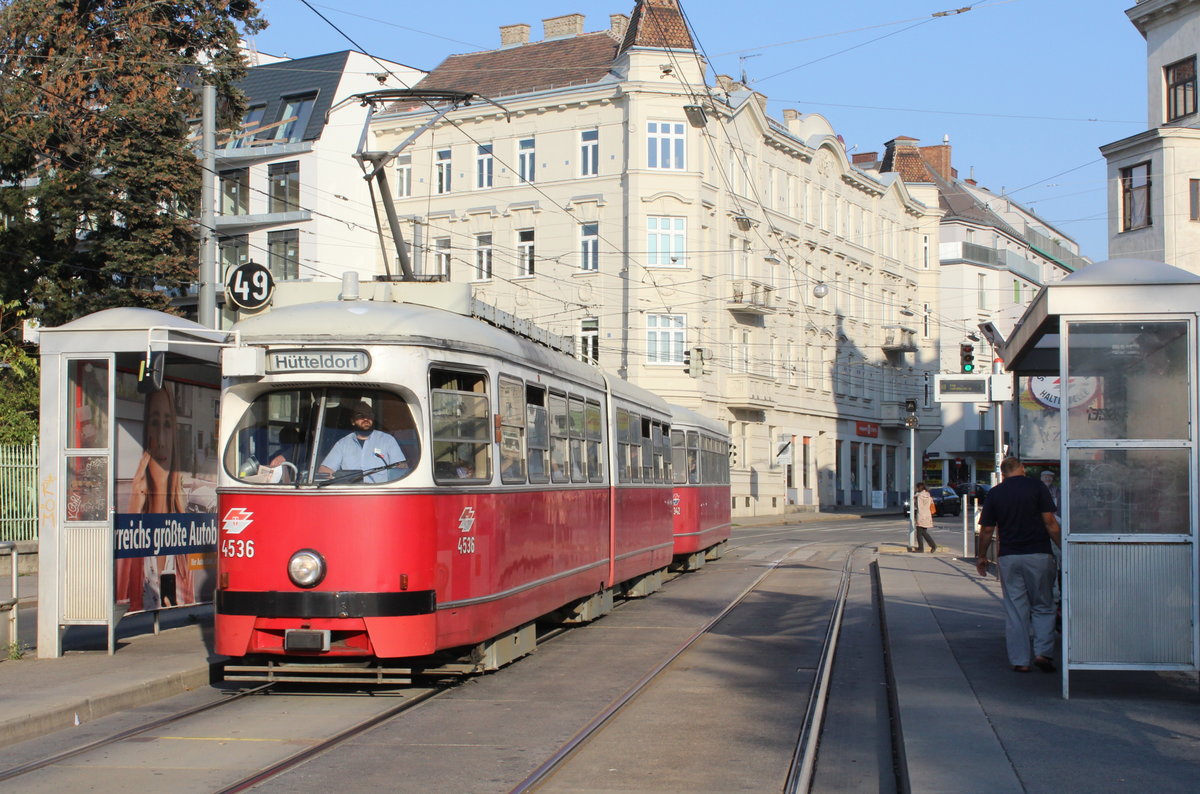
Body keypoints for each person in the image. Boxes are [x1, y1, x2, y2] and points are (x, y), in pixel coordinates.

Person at [976, 456, 1062, 674]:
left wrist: (982, 556)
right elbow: (1050, 522)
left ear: (1003, 473)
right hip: (1039, 554)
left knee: (1015, 610)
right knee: (1043, 604)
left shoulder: (995, 493)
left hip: (1009, 557)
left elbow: (986, 530)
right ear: (1022, 469)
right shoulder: (1037, 487)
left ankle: (1020, 661)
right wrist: (1063, 547)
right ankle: (1042, 652)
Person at [118, 384, 196, 611]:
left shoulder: (183, 532)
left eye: (167, 425)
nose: (161, 440)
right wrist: (135, 502)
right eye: (154, 423)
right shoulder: (134, 522)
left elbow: (187, 604)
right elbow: (121, 599)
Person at [319, 400, 406, 483]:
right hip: (351, 494)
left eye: (369, 415)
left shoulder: (387, 440)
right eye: (360, 416)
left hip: (379, 493)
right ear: (353, 421)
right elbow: (325, 471)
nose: (365, 418)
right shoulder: (342, 444)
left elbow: (401, 469)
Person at [912, 482, 937, 553]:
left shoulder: (920, 496)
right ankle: (932, 545)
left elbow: (919, 507)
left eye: (917, 487)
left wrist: (915, 500)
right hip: (927, 515)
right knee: (923, 532)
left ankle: (922, 548)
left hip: (921, 515)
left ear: (920, 488)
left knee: (919, 533)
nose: (916, 489)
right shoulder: (928, 495)